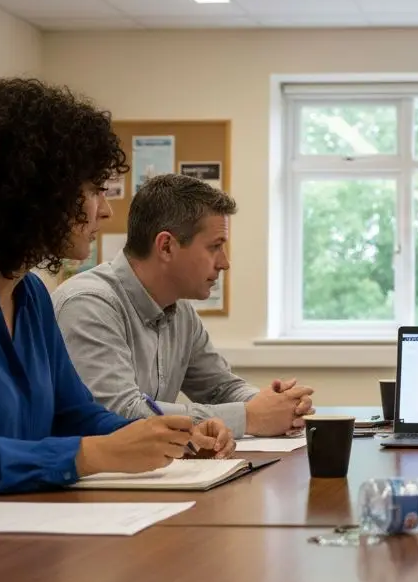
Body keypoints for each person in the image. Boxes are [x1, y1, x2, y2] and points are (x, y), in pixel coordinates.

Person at [0, 78, 233, 516]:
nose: (105, 210)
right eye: (93, 190)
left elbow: (76, 416)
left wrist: (169, 436)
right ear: (33, 191)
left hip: (5, 527)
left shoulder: (30, 293)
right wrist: (90, 454)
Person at [53, 174, 313, 438]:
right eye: (214, 247)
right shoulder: (88, 304)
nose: (224, 263)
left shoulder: (180, 311)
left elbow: (220, 389)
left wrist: (276, 405)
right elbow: (118, 414)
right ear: (166, 246)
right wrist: (249, 417)